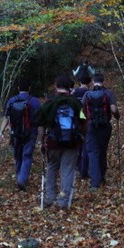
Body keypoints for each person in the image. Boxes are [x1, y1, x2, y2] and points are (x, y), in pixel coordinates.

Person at [36, 75, 83, 209]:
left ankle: (50, 197)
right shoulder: (76, 103)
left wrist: (41, 141)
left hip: (53, 142)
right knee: (67, 170)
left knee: (52, 167)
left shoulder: (49, 102)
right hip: (72, 142)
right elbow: (83, 120)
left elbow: (40, 123)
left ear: (56, 86)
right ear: (70, 87)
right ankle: (63, 201)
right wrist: (82, 136)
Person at [0, 77, 41, 191]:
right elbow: (39, 120)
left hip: (15, 132)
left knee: (17, 155)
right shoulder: (35, 101)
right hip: (31, 132)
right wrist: (41, 136)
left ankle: (19, 176)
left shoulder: (12, 100)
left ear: (18, 88)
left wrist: (0, 132)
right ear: (29, 88)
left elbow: (6, 118)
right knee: (27, 155)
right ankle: (22, 179)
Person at [81, 72, 119, 191]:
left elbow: (81, 110)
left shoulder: (87, 94)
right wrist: (117, 116)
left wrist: (83, 123)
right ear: (103, 81)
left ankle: (94, 182)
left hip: (91, 126)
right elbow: (113, 109)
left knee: (92, 152)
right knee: (102, 151)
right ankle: (102, 177)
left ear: (93, 81)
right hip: (105, 126)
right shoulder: (108, 93)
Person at [72, 72, 92, 180]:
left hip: (76, 121)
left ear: (79, 82)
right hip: (87, 121)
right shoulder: (89, 93)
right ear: (89, 82)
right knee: (86, 146)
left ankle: (78, 166)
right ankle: (85, 169)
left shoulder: (74, 92)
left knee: (77, 145)